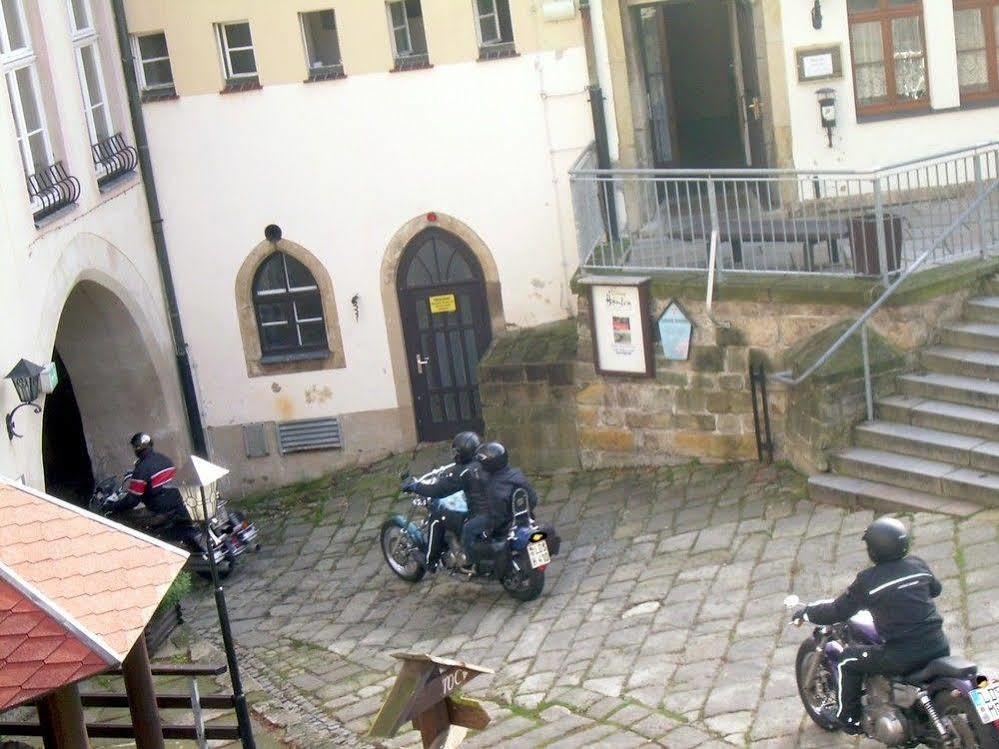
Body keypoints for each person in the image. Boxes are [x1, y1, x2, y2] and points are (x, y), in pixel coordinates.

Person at [792, 517, 948, 734]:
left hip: (902, 655)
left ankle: (849, 719)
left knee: (847, 660)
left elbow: (838, 610)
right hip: (939, 645)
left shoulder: (869, 581)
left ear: (873, 550)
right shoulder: (918, 565)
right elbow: (935, 590)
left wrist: (807, 613)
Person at [402, 432, 482, 570]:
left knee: (438, 516)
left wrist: (415, 486)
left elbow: (438, 490)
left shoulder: (463, 473)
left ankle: (430, 561)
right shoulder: (485, 463)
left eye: (456, 452)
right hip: (490, 507)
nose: (454, 454)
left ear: (461, 453)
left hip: (476, 516)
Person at [109, 433, 202, 551]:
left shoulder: (142, 468)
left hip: (160, 509)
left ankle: (142, 549)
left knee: (125, 516)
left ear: (137, 449)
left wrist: (114, 506)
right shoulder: (164, 459)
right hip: (177, 502)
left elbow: (132, 500)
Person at [461, 442, 538, 568]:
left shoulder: (494, 486)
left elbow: (497, 516)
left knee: (468, 528)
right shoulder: (516, 474)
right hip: (522, 517)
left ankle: (470, 561)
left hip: (503, 520)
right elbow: (533, 499)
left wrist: (490, 530)